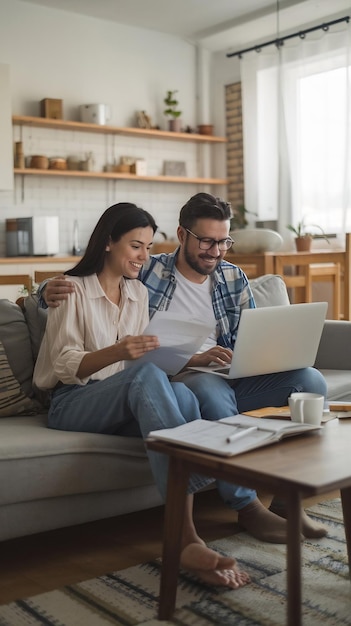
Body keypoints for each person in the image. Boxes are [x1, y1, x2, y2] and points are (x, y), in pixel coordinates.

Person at [40, 193, 328, 542]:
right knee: (202, 391)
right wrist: (44, 291)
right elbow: (87, 277)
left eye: (223, 242)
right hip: (176, 376)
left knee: (310, 380)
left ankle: (287, 502)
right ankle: (241, 506)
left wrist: (261, 357)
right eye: (207, 240)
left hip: (229, 372)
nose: (216, 250)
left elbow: (254, 335)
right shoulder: (148, 270)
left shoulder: (227, 279)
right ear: (182, 235)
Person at [33, 202, 250, 589]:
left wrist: (173, 357)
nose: (144, 257)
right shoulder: (71, 288)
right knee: (148, 376)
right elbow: (64, 365)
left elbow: (139, 367)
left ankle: (187, 537)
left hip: (120, 395)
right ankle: (186, 538)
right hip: (71, 402)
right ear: (108, 243)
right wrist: (120, 351)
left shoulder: (137, 293)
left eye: (149, 248)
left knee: (183, 397)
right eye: (136, 246)